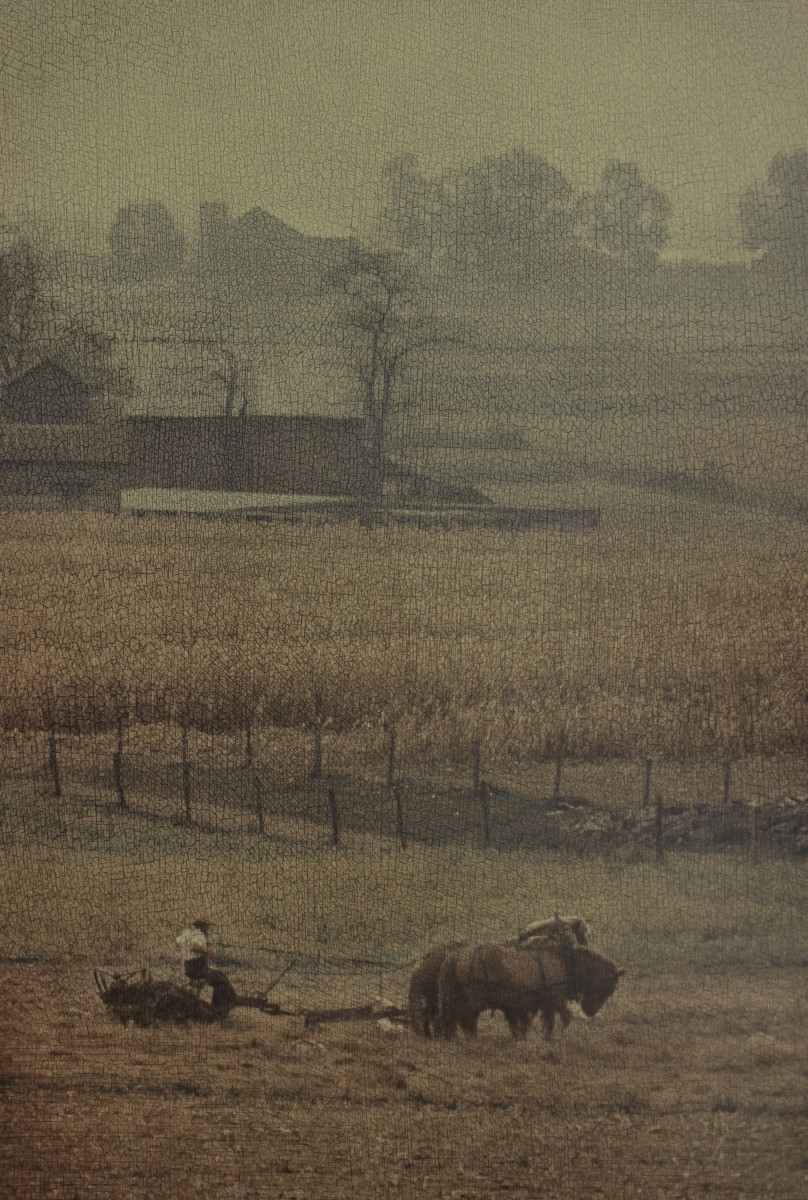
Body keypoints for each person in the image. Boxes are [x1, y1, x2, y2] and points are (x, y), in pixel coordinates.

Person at [176, 919, 212, 987]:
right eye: (207, 927)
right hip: (197, 968)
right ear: (202, 926)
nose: (207, 929)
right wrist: (206, 951)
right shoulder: (200, 934)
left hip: (187, 967)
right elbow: (193, 947)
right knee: (219, 976)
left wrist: (186, 951)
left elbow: (177, 942)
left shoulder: (186, 933)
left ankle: (194, 984)